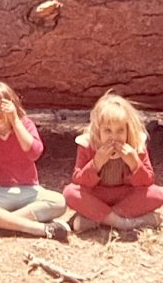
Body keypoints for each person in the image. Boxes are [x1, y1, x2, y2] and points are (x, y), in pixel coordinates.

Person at [0, 81, 69, 240]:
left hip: (29, 190)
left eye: (2, 106)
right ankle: (39, 229)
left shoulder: (25, 124)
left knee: (59, 202)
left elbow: (34, 153)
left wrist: (15, 120)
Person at [63, 91, 163, 233]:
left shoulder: (136, 145)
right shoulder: (87, 144)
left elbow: (148, 182)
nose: (114, 137)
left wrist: (134, 163)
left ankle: (97, 219)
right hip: (98, 195)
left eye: (120, 131)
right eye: (108, 131)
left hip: (125, 196)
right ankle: (123, 223)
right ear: (98, 131)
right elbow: (79, 181)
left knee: (158, 194)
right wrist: (96, 163)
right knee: (70, 193)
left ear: (128, 130)